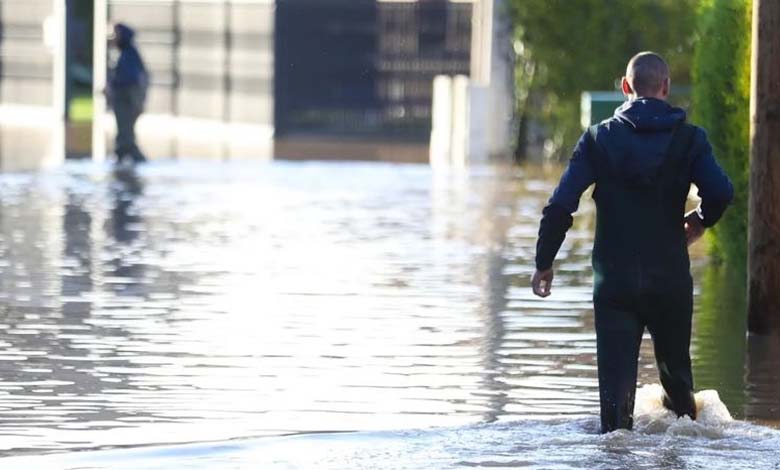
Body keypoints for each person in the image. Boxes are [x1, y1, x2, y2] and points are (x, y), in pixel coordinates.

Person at [531, 52, 734, 433]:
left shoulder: (598, 139)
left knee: (615, 413)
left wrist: (544, 261)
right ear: (667, 88)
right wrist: (701, 220)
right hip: (669, 280)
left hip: (614, 284)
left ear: (625, 88)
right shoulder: (690, 139)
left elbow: (561, 204)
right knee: (680, 399)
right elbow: (721, 191)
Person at [108, 23, 148, 164]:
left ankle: (136, 160)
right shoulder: (126, 54)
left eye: (116, 35)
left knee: (126, 136)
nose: (113, 38)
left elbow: (129, 79)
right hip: (125, 101)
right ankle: (120, 159)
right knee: (123, 136)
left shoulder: (129, 55)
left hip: (128, 102)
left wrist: (114, 84)